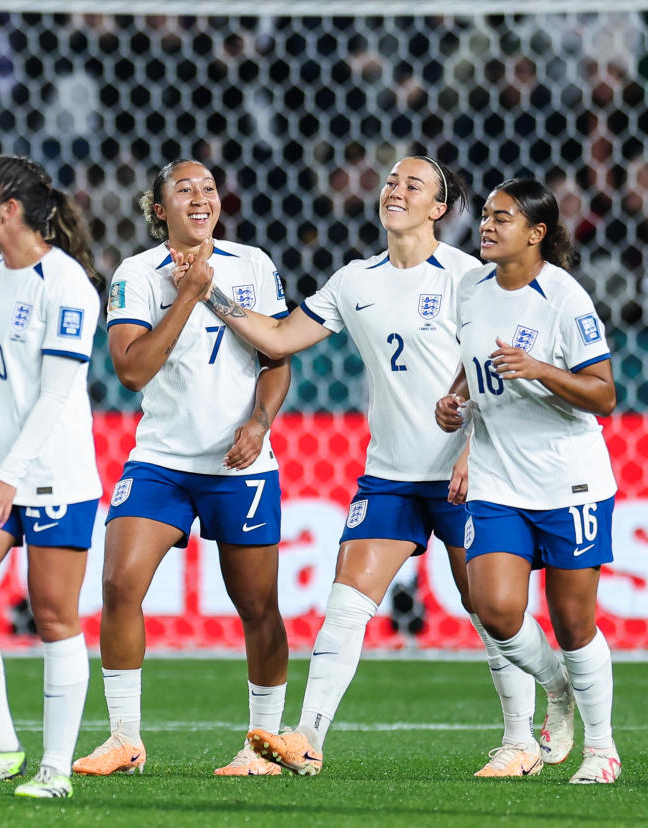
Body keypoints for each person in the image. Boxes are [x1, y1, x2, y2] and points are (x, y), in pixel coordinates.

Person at [192, 157, 570, 778]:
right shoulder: (354, 280)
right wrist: (214, 293)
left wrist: (475, 450)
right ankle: (306, 741)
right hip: (391, 474)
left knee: (489, 612)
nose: (396, 190)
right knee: (346, 603)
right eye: (391, 181)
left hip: (468, 470)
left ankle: (524, 733)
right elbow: (280, 341)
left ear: (439, 209)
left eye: (412, 185)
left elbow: (500, 369)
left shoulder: (471, 278)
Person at [74, 159, 293, 778]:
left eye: (208, 189)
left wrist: (260, 422)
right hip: (162, 461)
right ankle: (124, 740)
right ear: (159, 208)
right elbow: (131, 369)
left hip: (240, 466)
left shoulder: (253, 265)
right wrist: (190, 294)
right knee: (118, 585)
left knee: (258, 607)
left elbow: (277, 356)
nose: (200, 198)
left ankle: (264, 744)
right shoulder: (136, 274)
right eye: (184, 190)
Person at [435, 178, 621, 784]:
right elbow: (474, 361)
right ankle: (556, 688)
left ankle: (601, 751)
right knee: (493, 606)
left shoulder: (564, 298)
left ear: (536, 234)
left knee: (572, 622)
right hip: (496, 476)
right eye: (486, 216)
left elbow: (604, 394)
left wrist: (540, 369)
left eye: (503, 218)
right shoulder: (471, 288)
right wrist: (457, 400)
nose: (487, 226)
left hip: (569, 482)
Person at [0, 155, 102, 800]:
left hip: (51, 475)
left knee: (53, 616)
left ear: (9, 209)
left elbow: (55, 395)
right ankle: (1, 746)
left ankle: (55, 769)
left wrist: (8, 475)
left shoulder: (66, 285)